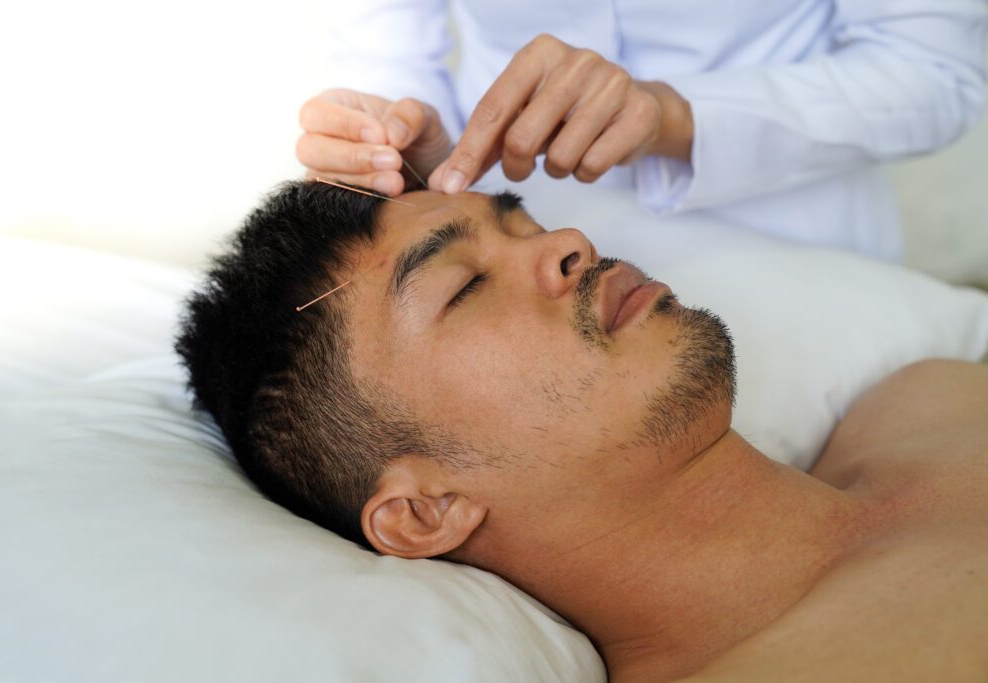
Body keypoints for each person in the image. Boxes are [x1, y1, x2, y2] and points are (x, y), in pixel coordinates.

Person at [176, 180, 988, 683]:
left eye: (524, 223)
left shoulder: (927, 400)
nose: (570, 243)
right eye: (464, 286)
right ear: (424, 510)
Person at [297, 0, 988, 262]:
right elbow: (384, 49)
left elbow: (935, 70)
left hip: (795, 244)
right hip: (517, 235)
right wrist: (398, 138)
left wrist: (673, 114)